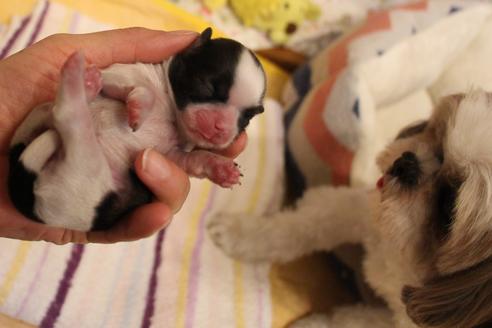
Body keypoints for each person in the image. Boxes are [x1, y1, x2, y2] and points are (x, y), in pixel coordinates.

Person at [0, 28, 247, 244]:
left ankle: (72, 120)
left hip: (70, 193)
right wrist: (134, 91)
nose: (223, 125)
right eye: (210, 88)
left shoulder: (182, 142)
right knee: (49, 113)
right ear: (193, 52)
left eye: (244, 117)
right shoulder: (149, 74)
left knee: (108, 166)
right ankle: (72, 120)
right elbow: (106, 79)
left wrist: (208, 163)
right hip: (37, 154)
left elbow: (180, 161)